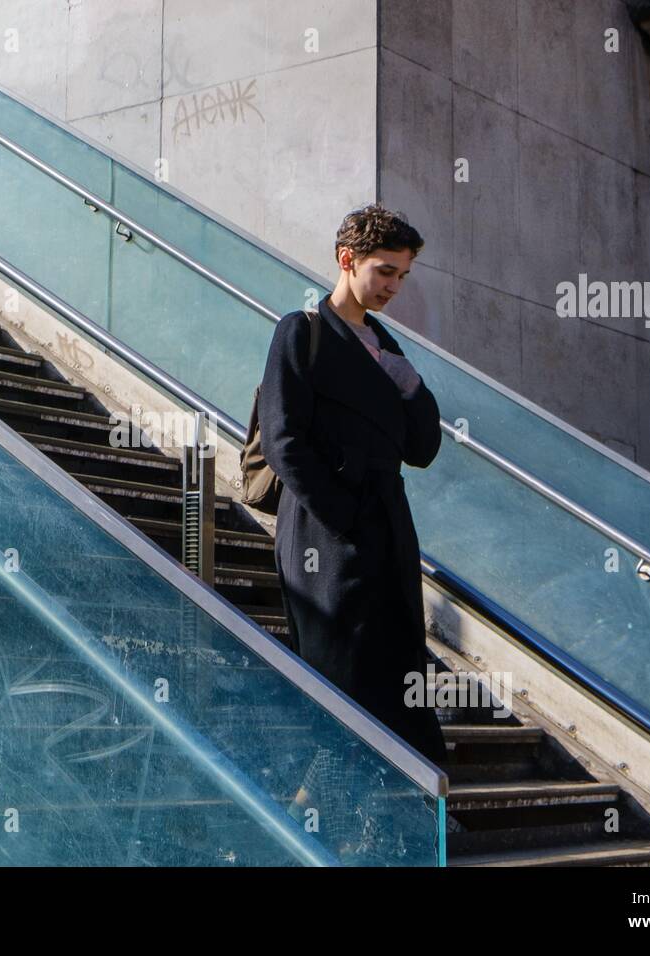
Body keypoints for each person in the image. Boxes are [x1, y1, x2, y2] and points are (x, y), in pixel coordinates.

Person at [257, 203, 447, 766]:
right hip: (324, 533)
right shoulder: (302, 332)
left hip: (388, 527)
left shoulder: (389, 349)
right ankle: (327, 804)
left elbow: (423, 450)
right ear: (348, 260)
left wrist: (411, 387)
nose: (394, 286)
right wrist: (342, 513)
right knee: (339, 663)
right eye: (384, 271)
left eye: (403, 275)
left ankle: (402, 799)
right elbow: (282, 438)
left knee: (398, 663)